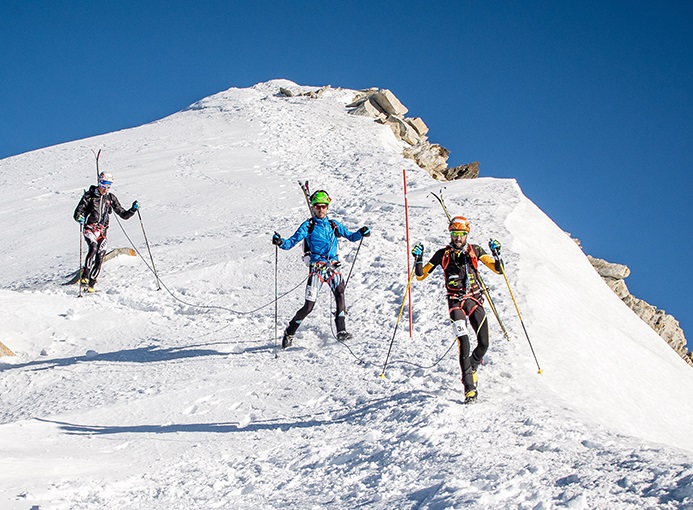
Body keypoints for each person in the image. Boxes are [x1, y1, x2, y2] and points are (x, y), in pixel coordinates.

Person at [411, 216, 502, 404]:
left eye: (461, 234)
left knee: (484, 343)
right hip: (455, 303)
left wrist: (497, 254)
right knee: (464, 343)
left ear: (467, 234)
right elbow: (420, 276)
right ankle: (469, 388)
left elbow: (498, 270)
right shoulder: (442, 254)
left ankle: (473, 365)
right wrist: (418, 259)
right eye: (454, 234)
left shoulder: (475, 251)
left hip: (474, 300)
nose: (458, 238)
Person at [272, 189, 370, 348]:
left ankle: (341, 330)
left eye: (324, 206)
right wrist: (279, 242)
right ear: (313, 207)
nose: (321, 209)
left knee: (340, 293)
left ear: (327, 207)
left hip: (333, 267)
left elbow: (351, 236)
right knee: (309, 306)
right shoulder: (308, 226)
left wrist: (361, 232)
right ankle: (290, 331)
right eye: (317, 206)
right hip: (317, 269)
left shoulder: (334, 225)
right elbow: (290, 243)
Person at [73, 171, 139, 292]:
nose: (106, 188)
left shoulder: (110, 198)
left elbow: (123, 214)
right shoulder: (89, 196)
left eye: (109, 186)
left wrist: (133, 210)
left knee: (100, 255)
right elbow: (78, 211)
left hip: (102, 231)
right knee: (93, 248)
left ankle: (91, 284)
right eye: (104, 185)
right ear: (99, 183)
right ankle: (85, 277)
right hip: (90, 228)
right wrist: (79, 217)